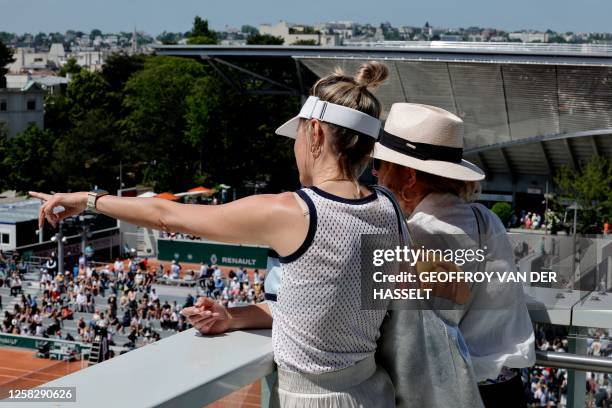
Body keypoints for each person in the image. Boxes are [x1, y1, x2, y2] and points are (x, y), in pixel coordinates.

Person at [31, 61, 402, 407]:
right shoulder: (390, 208)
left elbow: (166, 216)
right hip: (375, 390)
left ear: (316, 132)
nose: (295, 146)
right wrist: (235, 316)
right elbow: (327, 307)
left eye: (299, 134)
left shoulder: (292, 211)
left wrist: (89, 200)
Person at [372, 103, 535, 408]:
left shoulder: (422, 235)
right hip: (506, 390)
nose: (375, 174)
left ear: (407, 176)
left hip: (460, 394)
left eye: (380, 165)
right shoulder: (485, 218)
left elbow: (412, 337)